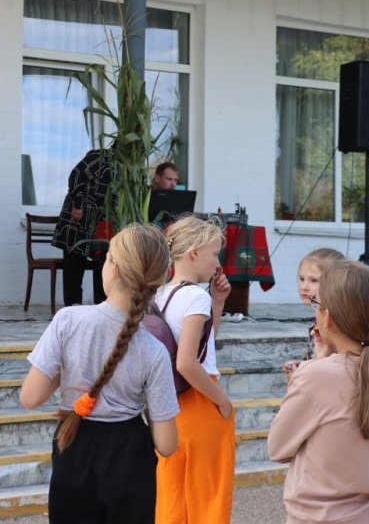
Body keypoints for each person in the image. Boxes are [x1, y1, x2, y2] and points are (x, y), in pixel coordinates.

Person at [21, 223, 180, 523]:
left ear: (113, 266)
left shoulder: (68, 321)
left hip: (74, 445)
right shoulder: (154, 350)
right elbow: (167, 445)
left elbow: (30, 397)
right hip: (130, 456)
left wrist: (69, 367)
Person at [267, 261, 369, 524]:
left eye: (316, 303)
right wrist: (320, 363)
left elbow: (277, 449)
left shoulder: (315, 376)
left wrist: (310, 371)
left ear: (327, 317)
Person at [154, 215, 235, 524]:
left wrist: (218, 303)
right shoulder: (196, 296)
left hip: (170, 404)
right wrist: (223, 401)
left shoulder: (160, 294)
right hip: (201, 400)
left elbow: (203, 344)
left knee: (173, 492)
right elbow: (188, 362)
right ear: (194, 252)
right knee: (208, 496)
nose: (217, 263)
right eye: (214, 254)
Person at [51, 146, 114, 306]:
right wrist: (78, 204)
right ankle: (72, 310)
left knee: (103, 265)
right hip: (79, 217)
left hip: (100, 221)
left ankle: (101, 308)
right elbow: (77, 174)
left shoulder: (125, 166)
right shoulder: (101, 157)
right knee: (74, 267)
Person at [284, 247, 346, 378]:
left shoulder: (332, 322)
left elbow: (332, 367)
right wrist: (303, 367)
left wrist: (304, 375)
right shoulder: (320, 317)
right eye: (301, 279)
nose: (304, 287)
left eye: (313, 280)